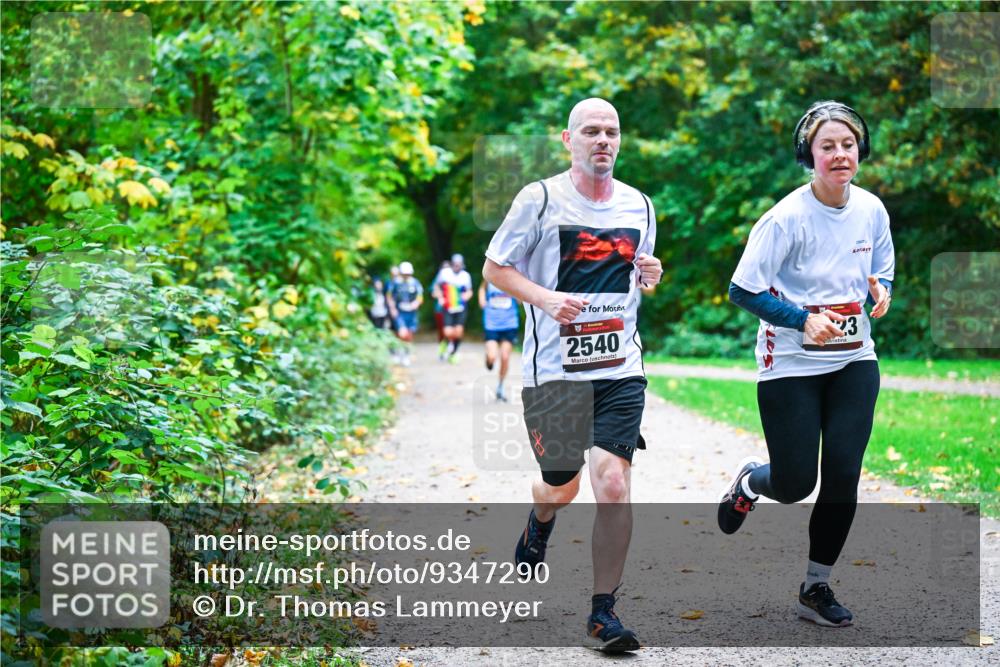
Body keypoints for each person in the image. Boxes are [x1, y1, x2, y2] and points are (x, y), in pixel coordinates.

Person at [482, 98, 662, 652]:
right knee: (561, 486)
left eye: (611, 132)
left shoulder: (641, 205)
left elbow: (640, 276)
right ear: (569, 139)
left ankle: (602, 613)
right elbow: (495, 269)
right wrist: (546, 299)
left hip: (620, 368)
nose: (602, 140)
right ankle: (540, 521)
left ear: (620, 140)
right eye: (591, 131)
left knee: (612, 483)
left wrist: (651, 273)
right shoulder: (539, 199)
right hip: (555, 372)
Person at [718, 100, 894, 628]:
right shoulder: (785, 218)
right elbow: (741, 290)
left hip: (853, 360)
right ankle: (752, 483)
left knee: (843, 473)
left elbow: (881, 266)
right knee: (796, 485)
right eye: (828, 146)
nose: (841, 154)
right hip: (790, 364)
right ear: (808, 155)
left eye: (848, 144)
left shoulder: (871, 209)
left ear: (859, 150)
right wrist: (800, 319)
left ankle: (815, 587)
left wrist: (880, 290)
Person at [478, 280, 519, 401]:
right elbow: (482, 288)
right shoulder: (490, 279)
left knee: (505, 357)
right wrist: (482, 299)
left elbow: (520, 301)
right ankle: (488, 359)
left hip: (509, 324)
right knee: (492, 356)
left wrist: (517, 295)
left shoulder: (512, 281)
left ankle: (500, 386)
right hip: (492, 324)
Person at [432, 253, 474, 364]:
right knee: (448, 332)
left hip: (461, 307)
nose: (457, 266)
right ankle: (445, 343)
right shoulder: (444, 274)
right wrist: (440, 297)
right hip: (448, 307)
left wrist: (467, 296)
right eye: (455, 264)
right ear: (452, 264)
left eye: (459, 264)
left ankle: (453, 353)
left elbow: (470, 291)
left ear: (462, 265)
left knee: (459, 332)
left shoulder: (466, 276)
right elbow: (436, 287)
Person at [385, 261, 423, 366]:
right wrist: (392, 308)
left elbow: (420, 296)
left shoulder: (415, 283)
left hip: (412, 313)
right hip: (399, 312)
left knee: (409, 335)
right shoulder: (395, 283)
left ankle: (406, 355)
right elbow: (389, 296)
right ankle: (396, 353)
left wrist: (416, 303)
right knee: (401, 333)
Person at [431, 260, 450, 359]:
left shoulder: (454, 278)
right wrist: (441, 297)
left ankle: (451, 350)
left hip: (452, 309)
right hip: (440, 309)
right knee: (442, 331)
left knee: (451, 330)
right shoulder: (438, 279)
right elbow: (433, 292)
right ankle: (442, 350)